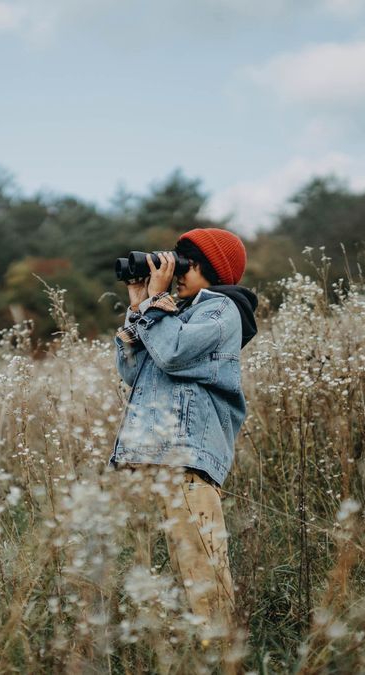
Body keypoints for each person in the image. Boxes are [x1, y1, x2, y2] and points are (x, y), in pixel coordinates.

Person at [110, 227, 258, 644]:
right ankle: (203, 651)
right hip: (166, 458)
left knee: (203, 569)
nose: (176, 273)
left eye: (185, 264)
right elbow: (133, 371)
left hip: (188, 457)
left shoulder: (222, 309)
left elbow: (173, 353)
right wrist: (139, 305)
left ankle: (221, 652)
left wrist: (157, 301)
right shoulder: (175, 313)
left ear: (212, 269)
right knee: (185, 569)